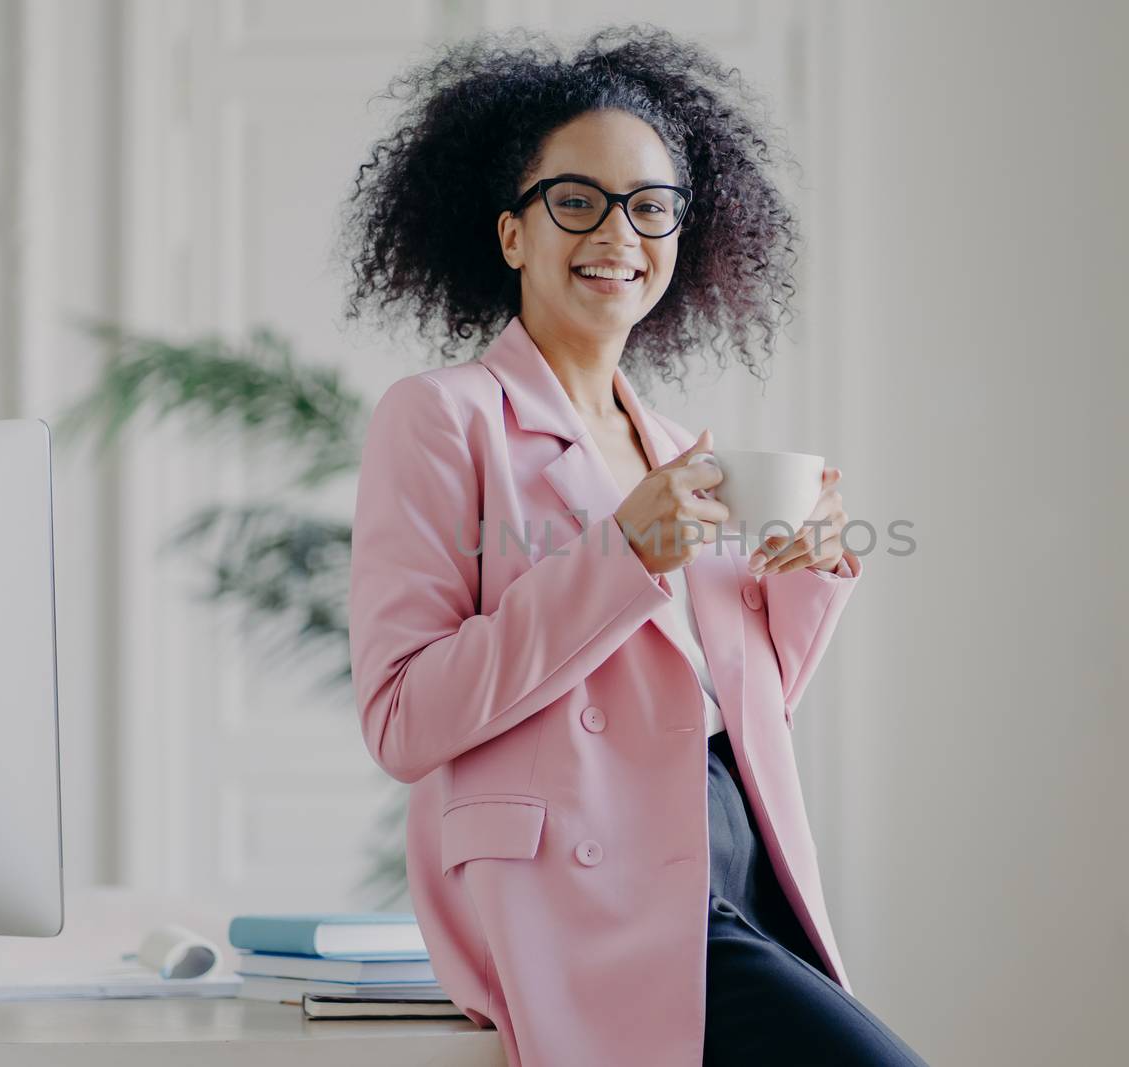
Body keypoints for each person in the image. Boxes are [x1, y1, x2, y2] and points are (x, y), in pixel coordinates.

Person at [343, 24, 927, 1067]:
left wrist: (806, 578)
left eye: (650, 206)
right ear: (512, 233)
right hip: (589, 888)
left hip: (732, 854)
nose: (618, 231)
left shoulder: (666, 443)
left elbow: (733, 704)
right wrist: (623, 553)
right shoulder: (441, 417)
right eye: (577, 200)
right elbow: (400, 716)